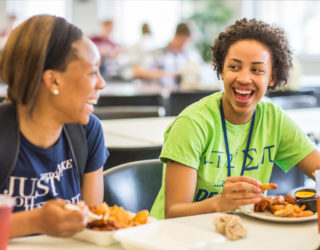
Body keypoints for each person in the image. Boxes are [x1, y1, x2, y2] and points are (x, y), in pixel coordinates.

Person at [150, 18, 320, 220]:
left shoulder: (273, 119)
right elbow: (173, 212)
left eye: (257, 69)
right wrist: (219, 203)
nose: (244, 78)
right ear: (221, 70)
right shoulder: (192, 123)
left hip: (238, 234)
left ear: (272, 77)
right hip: (177, 238)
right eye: (234, 67)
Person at [0, 15, 108, 238]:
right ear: (53, 81)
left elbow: (92, 225)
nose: (101, 83)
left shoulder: (88, 132)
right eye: (91, 72)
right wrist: (36, 221)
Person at [152, 22, 203, 88]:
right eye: (182, 41)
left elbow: (202, 69)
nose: (184, 45)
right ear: (176, 36)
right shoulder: (160, 54)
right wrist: (170, 74)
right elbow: (139, 71)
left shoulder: (191, 55)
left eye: (186, 42)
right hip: (163, 92)